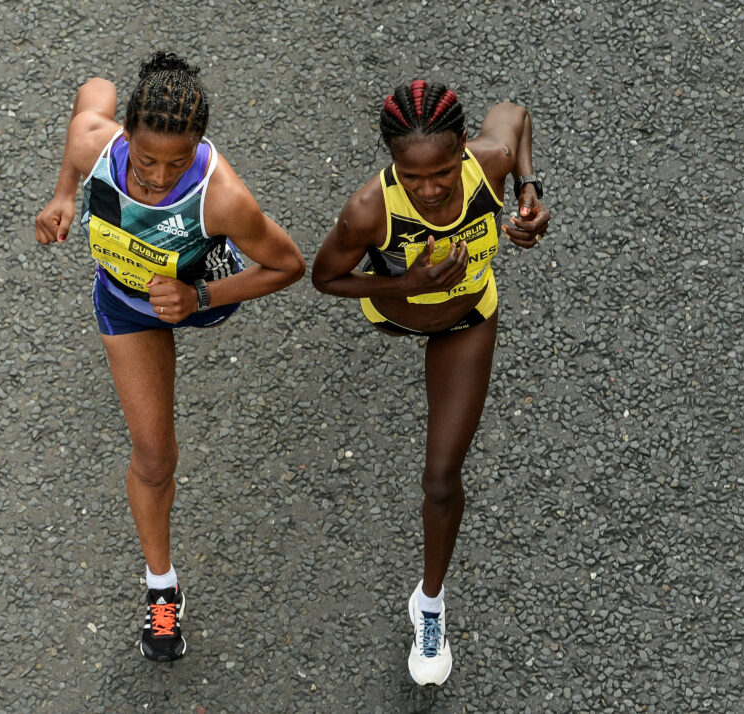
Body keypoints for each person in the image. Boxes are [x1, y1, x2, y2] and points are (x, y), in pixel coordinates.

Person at [35, 52, 305, 662]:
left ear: (199, 147)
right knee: (155, 457)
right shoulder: (93, 144)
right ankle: (162, 590)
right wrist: (63, 197)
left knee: (205, 279)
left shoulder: (223, 198)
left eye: (178, 161)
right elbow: (92, 95)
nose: (159, 176)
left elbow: (288, 265)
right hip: (128, 303)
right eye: (148, 158)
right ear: (125, 135)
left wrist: (199, 295)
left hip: (202, 285)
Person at [311, 80, 550, 685]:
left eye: (443, 171)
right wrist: (403, 287)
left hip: (466, 318)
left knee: (442, 477)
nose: (431, 187)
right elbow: (326, 278)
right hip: (398, 312)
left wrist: (528, 192)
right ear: (392, 165)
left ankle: (430, 604)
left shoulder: (488, 162)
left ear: (463, 152)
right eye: (412, 177)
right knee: (401, 308)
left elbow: (514, 115)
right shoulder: (368, 209)